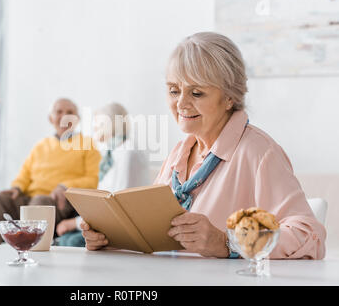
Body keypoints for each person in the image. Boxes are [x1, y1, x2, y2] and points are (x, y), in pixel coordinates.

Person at [81, 32, 326, 259]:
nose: (181, 104)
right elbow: (152, 236)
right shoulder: (179, 153)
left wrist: (227, 242)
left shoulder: (259, 152)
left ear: (230, 97)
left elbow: (309, 236)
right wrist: (110, 239)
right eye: (174, 91)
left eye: (196, 93)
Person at [0, 98, 101, 247]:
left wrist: (64, 186)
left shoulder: (87, 144)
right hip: (30, 198)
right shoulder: (40, 146)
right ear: (51, 118)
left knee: (39, 203)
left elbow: (93, 179)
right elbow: (25, 174)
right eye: (59, 112)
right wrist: (17, 188)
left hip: (59, 202)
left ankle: (29, 254)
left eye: (70, 113)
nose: (64, 116)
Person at [55, 102, 151, 247]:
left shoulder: (127, 153)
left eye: (98, 124)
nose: (94, 128)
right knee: (65, 238)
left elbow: (117, 206)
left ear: (112, 125)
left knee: (69, 241)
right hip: (111, 223)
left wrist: (73, 223)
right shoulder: (111, 154)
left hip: (125, 228)